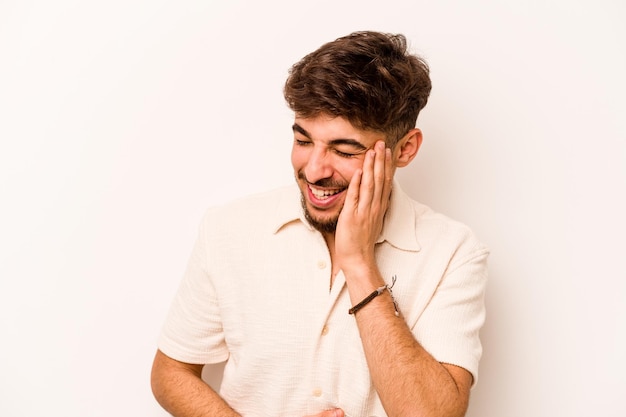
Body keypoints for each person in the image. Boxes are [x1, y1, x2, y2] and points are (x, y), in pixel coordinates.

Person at [151, 30, 488, 417]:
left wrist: (359, 265)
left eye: (345, 150)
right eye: (304, 141)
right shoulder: (228, 228)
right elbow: (171, 372)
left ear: (405, 149)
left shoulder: (454, 252)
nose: (314, 170)